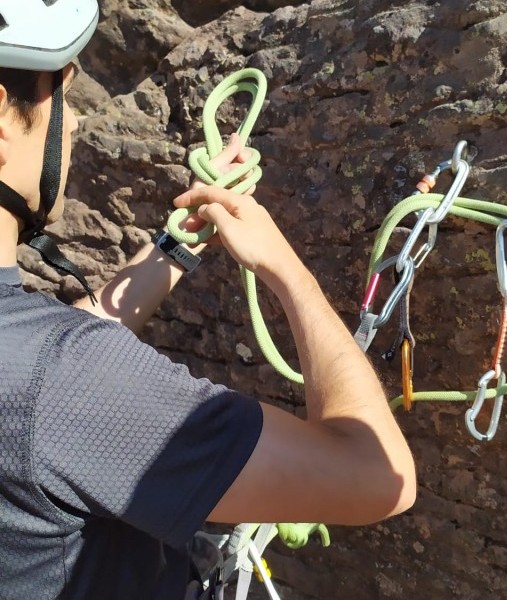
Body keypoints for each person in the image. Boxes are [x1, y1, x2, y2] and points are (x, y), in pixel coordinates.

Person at [0, 1, 416, 598]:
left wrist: (178, 244)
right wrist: (285, 266)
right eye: (64, 97)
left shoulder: (39, 365)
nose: (75, 125)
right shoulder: (62, 382)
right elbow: (378, 477)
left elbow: (50, 366)